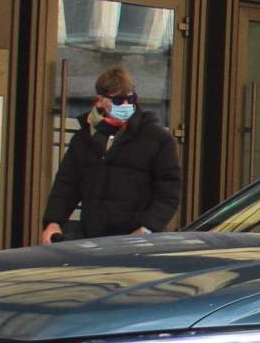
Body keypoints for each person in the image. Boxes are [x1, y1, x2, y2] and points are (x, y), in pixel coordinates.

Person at [39, 67, 184, 243]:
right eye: (118, 100)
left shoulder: (158, 139)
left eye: (130, 99)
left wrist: (148, 228)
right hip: (93, 237)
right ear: (101, 100)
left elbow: (169, 191)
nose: (125, 105)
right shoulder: (85, 137)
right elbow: (67, 184)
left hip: (136, 239)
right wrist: (53, 221)